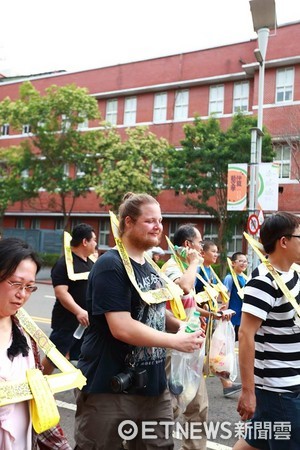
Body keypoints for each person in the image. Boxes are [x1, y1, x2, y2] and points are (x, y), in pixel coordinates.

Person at [74, 193, 204, 450]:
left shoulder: (150, 266)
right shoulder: (110, 265)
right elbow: (121, 325)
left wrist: (179, 326)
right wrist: (175, 341)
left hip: (153, 386)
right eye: (150, 221)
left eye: (160, 220)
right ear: (129, 222)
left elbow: (154, 311)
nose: (159, 227)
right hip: (110, 385)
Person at [233, 212, 300, 450]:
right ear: (284, 241)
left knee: (254, 442)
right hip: (279, 390)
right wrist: (248, 392)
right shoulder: (263, 281)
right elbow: (246, 334)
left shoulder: (294, 274)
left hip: (292, 383)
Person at [0, 237, 71, 450]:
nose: (22, 295)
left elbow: (38, 399)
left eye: (29, 287)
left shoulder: (26, 332)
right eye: (15, 283)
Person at [162, 223, 209, 450]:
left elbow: (190, 304)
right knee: (171, 405)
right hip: (174, 347)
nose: (202, 248)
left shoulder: (185, 266)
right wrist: (193, 262)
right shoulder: (171, 267)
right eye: (200, 243)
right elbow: (185, 288)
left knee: (198, 405)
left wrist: (213, 313)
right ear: (188, 245)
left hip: (192, 346)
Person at [42, 223, 97, 375]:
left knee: (76, 355)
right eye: (93, 240)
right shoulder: (63, 264)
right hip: (67, 321)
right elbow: (61, 292)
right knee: (54, 356)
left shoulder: (90, 262)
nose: (96, 244)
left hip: (86, 322)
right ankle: (39, 387)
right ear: (84, 242)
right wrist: (78, 311)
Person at [195, 240, 242, 397]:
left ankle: (226, 384)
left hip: (210, 317)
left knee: (215, 351)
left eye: (217, 252)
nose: (216, 254)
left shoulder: (210, 271)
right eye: (213, 251)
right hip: (199, 318)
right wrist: (208, 312)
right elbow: (191, 297)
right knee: (203, 352)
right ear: (202, 253)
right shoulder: (198, 271)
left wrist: (219, 309)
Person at [223, 252, 248, 341]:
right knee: (228, 342)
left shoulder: (245, 278)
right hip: (232, 317)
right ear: (233, 263)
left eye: (245, 261)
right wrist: (224, 313)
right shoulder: (229, 278)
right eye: (240, 261)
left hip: (242, 317)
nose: (243, 263)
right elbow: (226, 296)